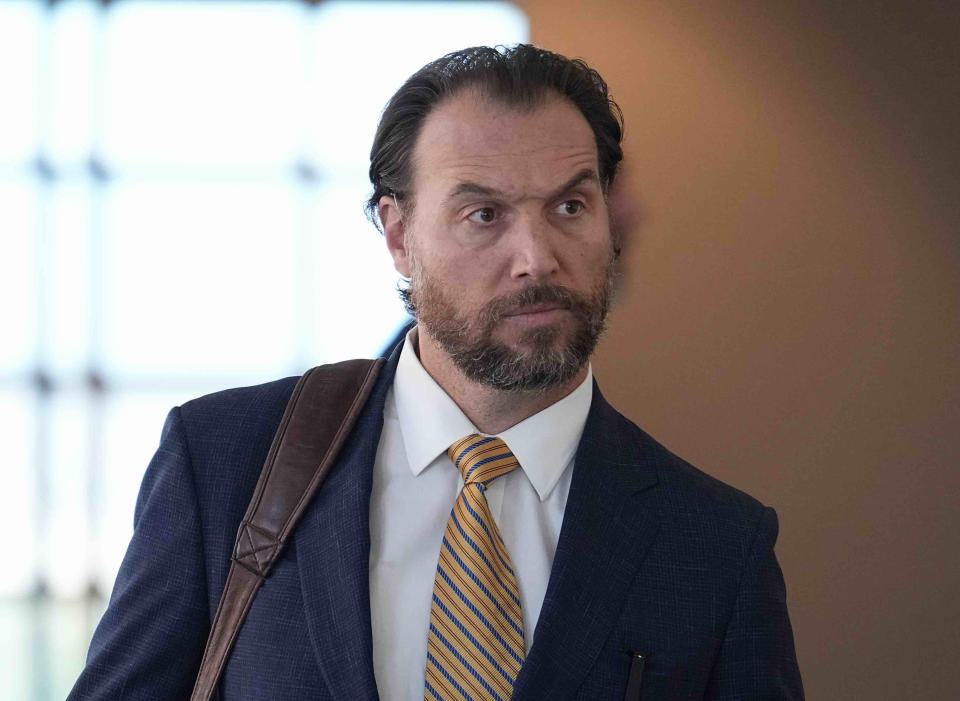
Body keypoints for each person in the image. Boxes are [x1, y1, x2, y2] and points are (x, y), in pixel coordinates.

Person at [68, 44, 803, 700]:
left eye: (570, 206)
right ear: (397, 236)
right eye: (484, 215)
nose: (537, 258)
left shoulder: (714, 544)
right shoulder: (225, 461)